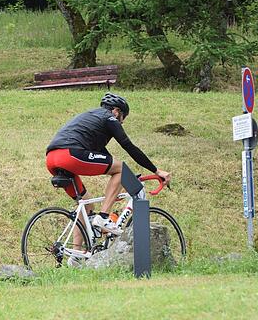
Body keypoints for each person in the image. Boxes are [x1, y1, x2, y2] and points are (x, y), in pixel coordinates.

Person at [45, 93, 171, 257]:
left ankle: (76, 254)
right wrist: (156, 170)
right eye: (122, 118)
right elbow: (128, 146)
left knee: (86, 205)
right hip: (71, 154)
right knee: (122, 169)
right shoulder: (109, 118)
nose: (122, 122)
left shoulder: (92, 119)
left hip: (52, 158)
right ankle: (103, 218)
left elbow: (105, 158)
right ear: (117, 111)